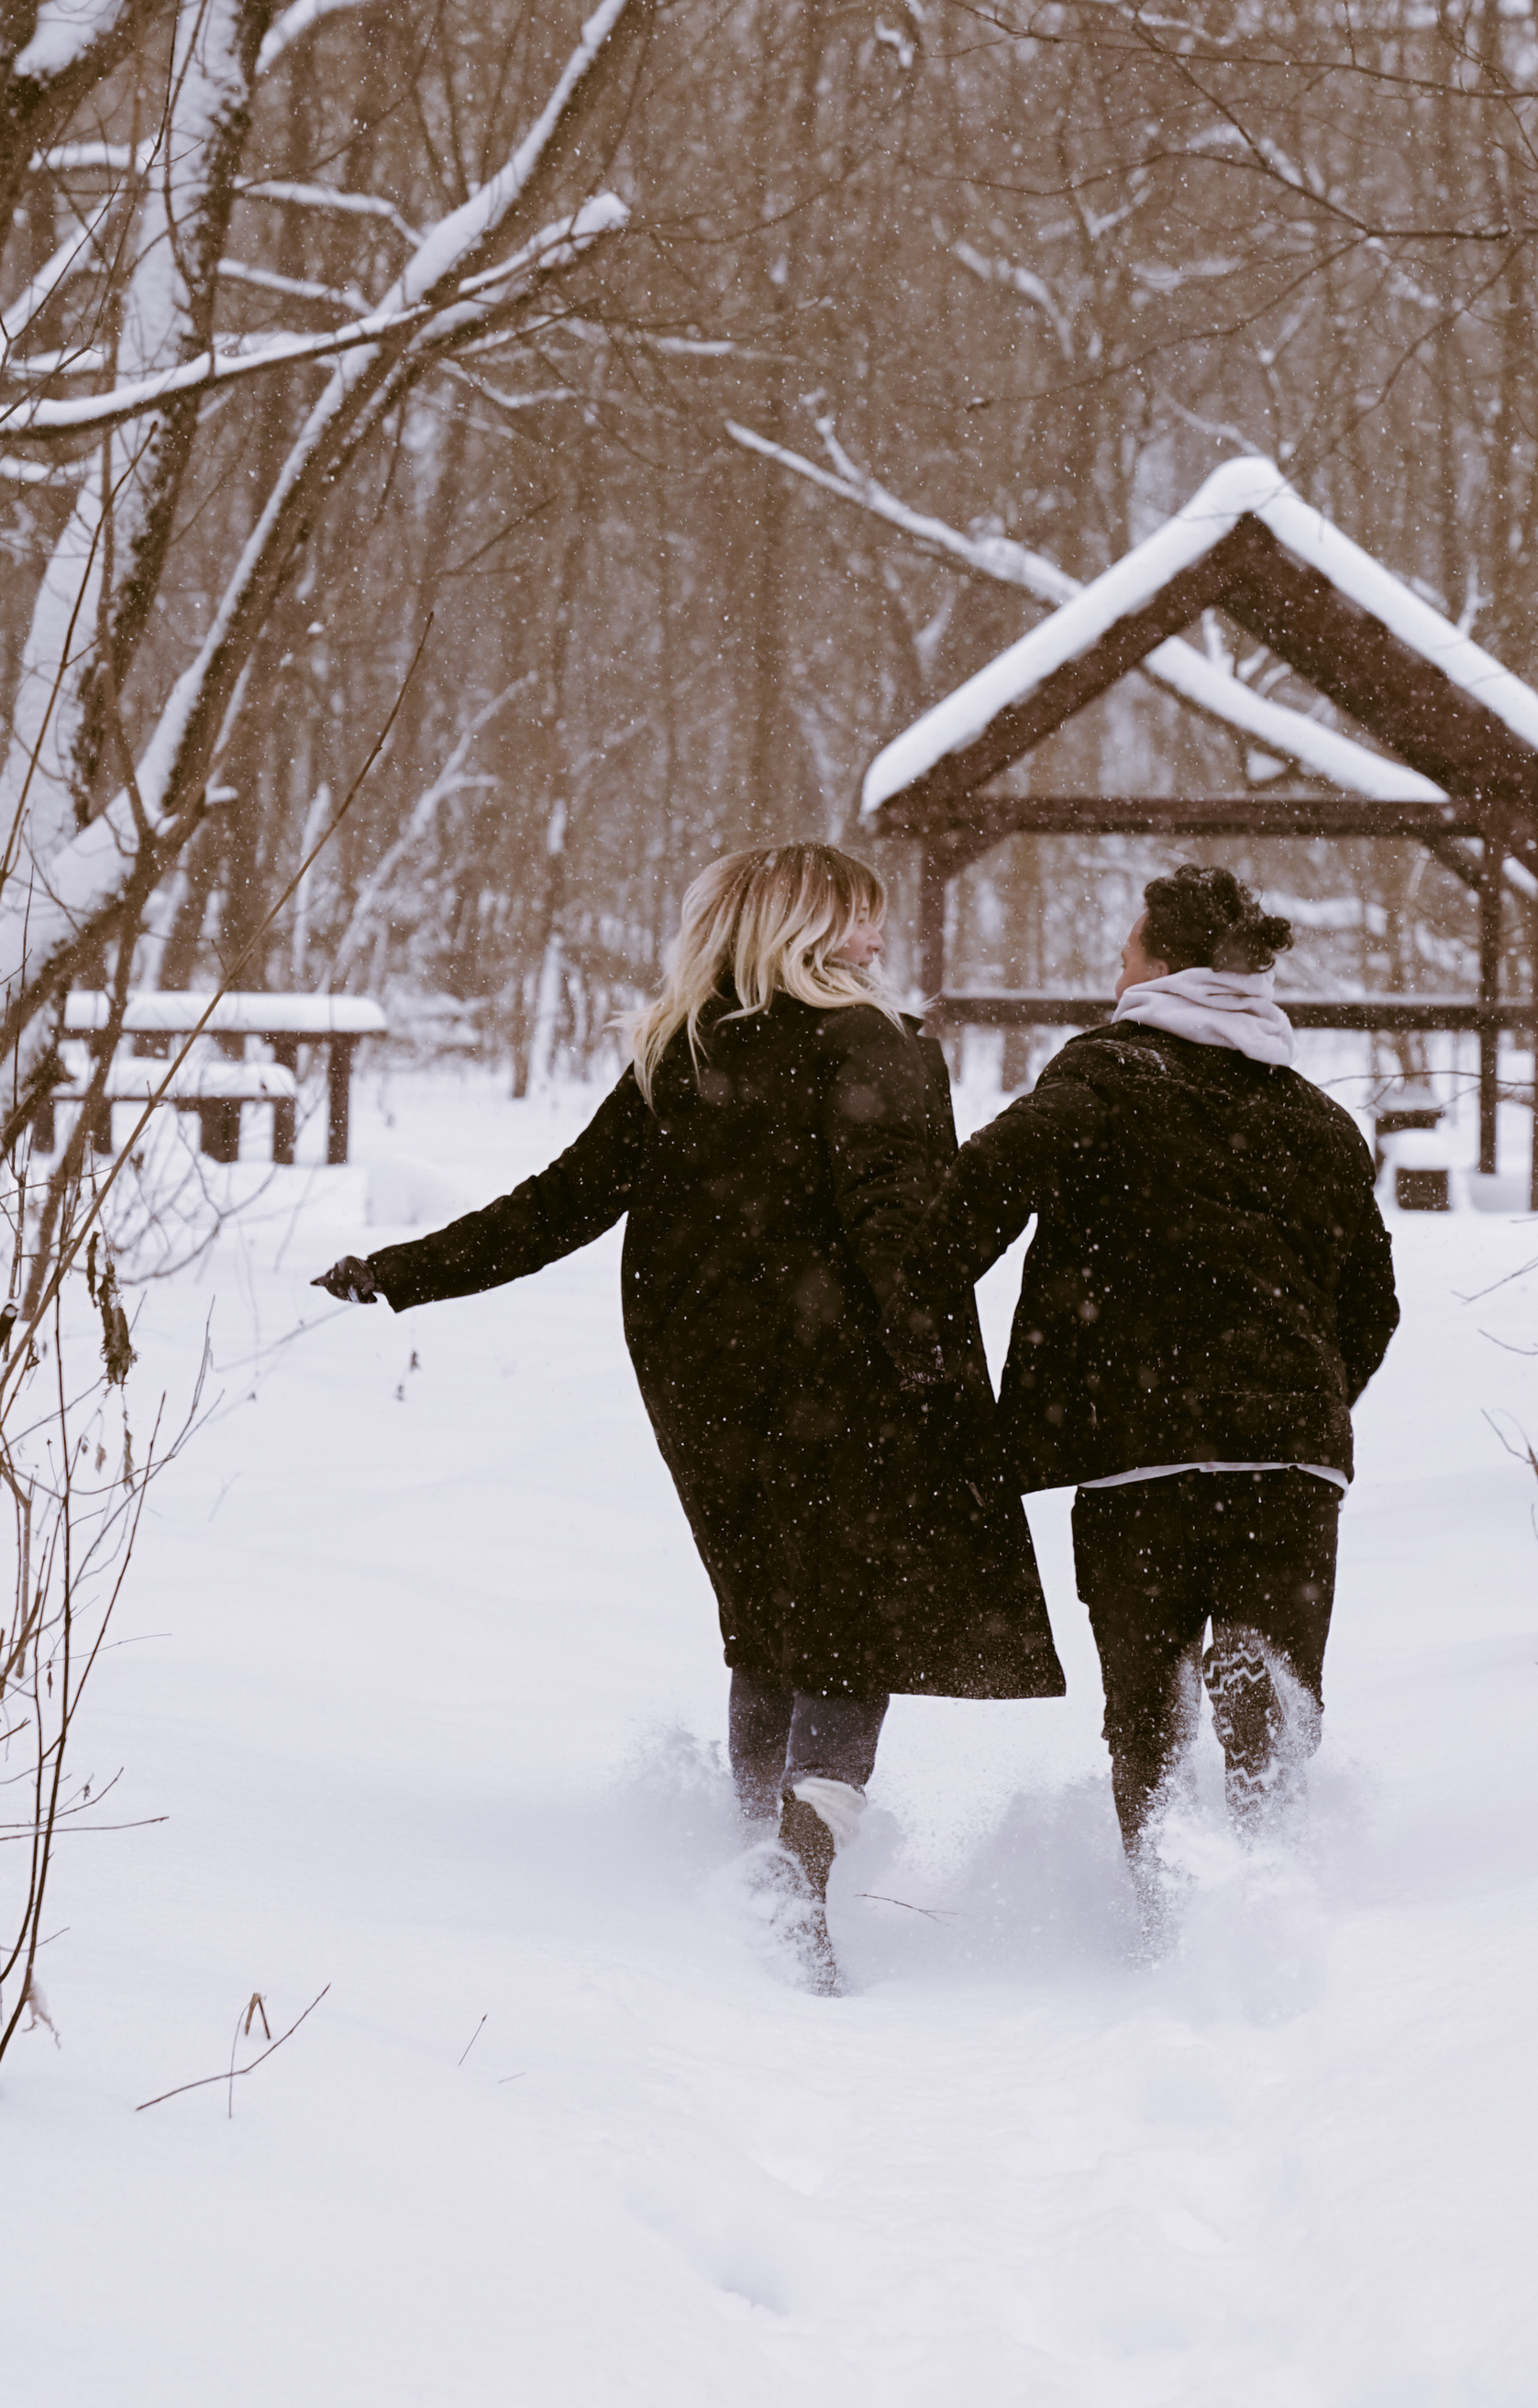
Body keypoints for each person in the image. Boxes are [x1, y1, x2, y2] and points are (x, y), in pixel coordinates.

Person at [314, 841, 1062, 1990]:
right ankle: (791, 1881)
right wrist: (947, 1397)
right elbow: (899, 1240)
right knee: (846, 1631)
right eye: (862, 923)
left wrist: (406, 1269)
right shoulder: (876, 1044)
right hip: (843, 1380)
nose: (878, 944)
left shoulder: (685, 1050)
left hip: (704, 1382)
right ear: (808, 930)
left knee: (765, 1614)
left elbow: (560, 1204)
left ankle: (748, 1847)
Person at [900, 864, 1398, 1927]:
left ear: (1160, 965)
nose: (1115, 966)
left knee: (1145, 1710)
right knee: (1273, 1694)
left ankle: (1169, 1918)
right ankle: (1270, 1910)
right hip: (1288, 1463)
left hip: (1137, 1457)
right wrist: (1294, 1399)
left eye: (1126, 950)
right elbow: (1372, 1311)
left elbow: (958, 1223)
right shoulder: (1318, 1121)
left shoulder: (1097, 1082)